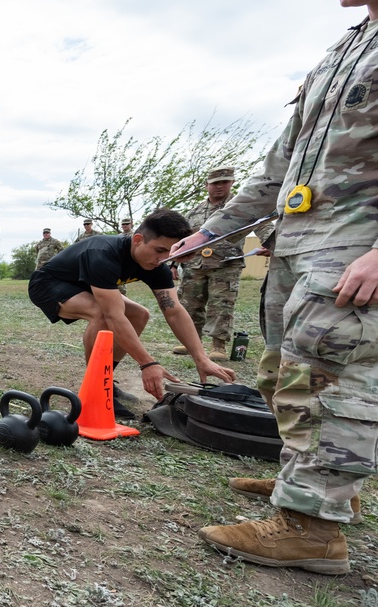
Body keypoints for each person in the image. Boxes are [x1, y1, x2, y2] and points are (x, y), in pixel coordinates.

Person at [176, 1, 378, 575]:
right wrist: (208, 233)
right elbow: (276, 170)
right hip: (295, 239)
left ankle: (313, 529)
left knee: (326, 376)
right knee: (282, 372)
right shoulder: (346, 46)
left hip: (355, 241)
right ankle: (314, 485)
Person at [28, 208, 237, 418]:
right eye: (159, 250)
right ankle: (96, 387)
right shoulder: (102, 254)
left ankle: (105, 380)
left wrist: (201, 358)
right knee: (102, 314)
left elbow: (174, 311)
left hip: (86, 285)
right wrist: (148, 363)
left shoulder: (157, 264)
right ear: (137, 239)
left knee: (140, 314)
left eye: (169, 252)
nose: (162, 259)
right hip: (47, 284)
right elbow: (113, 317)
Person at [171, 167, 270, 361]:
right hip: (195, 266)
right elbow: (184, 238)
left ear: (232, 183)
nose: (219, 186)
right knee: (190, 304)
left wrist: (270, 243)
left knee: (221, 306)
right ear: (206, 185)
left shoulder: (240, 208)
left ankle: (219, 346)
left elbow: (263, 225)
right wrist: (174, 264)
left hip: (226, 265)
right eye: (215, 183)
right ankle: (191, 341)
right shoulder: (195, 211)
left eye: (225, 182)